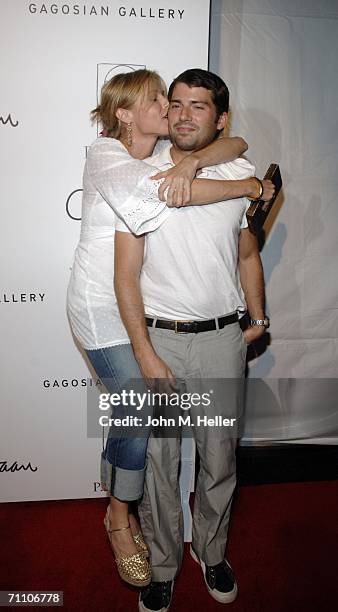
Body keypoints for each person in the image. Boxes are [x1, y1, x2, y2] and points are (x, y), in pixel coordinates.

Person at [66, 68, 268, 589]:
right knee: (159, 462)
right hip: (162, 339)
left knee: (220, 457)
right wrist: (146, 351)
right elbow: (125, 275)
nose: (180, 113)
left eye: (196, 106)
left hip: (223, 338)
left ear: (218, 118)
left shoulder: (236, 161)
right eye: (172, 103)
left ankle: (212, 551)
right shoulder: (139, 168)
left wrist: (258, 317)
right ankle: (161, 565)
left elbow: (248, 253)